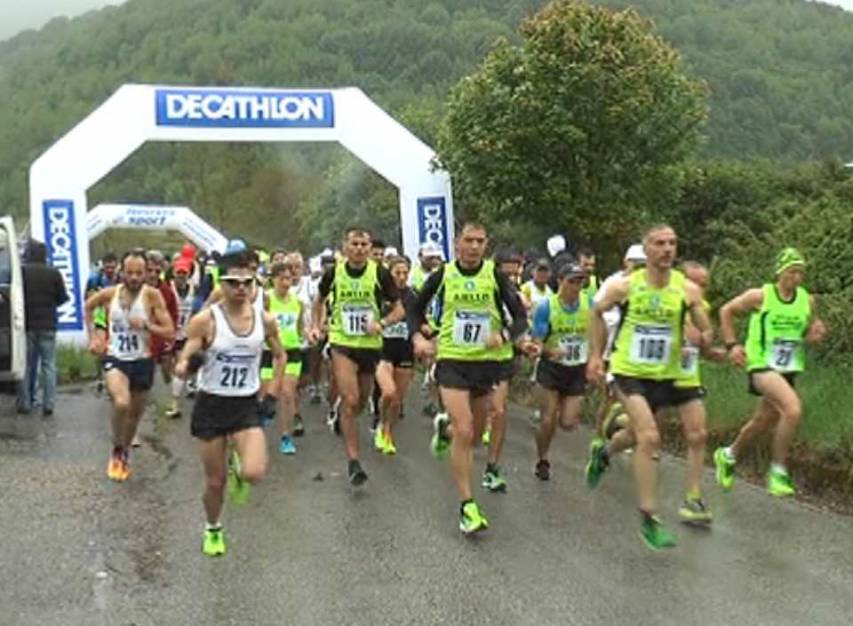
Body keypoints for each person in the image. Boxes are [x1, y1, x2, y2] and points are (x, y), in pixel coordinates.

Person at [586, 225, 713, 550]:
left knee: (642, 435)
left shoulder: (687, 290)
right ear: (647, 249)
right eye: (659, 243)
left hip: (667, 374)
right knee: (650, 437)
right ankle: (648, 516)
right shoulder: (625, 286)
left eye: (672, 243)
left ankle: (605, 451)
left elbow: (705, 332)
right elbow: (596, 312)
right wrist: (595, 357)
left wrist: (711, 338)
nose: (667, 249)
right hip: (628, 372)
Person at [410, 222, 528, 534]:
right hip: (452, 360)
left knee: (473, 436)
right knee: (465, 430)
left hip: (485, 364)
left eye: (479, 241)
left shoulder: (494, 275)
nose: (474, 247)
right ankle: (467, 506)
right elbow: (414, 308)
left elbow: (520, 318)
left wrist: (504, 335)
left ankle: (444, 426)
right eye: (468, 240)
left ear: (486, 245)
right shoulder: (443, 275)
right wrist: (418, 338)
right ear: (456, 243)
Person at [175, 250, 287, 557]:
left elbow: (280, 355)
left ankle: (240, 467)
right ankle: (213, 528)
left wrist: (273, 392)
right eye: (232, 282)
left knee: (254, 472)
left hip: (245, 405)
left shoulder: (265, 320)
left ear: (254, 284)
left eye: (246, 283)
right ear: (220, 284)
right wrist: (186, 366)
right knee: (215, 481)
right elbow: (183, 359)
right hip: (211, 404)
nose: (240, 288)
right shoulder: (205, 321)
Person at [714, 248, 826, 497]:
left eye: (801, 273)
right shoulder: (761, 295)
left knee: (763, 421)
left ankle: (728, 455)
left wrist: (813, 334)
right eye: (792, 272)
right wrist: (732, 345)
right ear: (780, 272)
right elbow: (726, 311)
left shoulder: (806, 300)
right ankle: (777, 471)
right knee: (793, 409)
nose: (797, 278)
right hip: (761, 363)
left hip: (787, 367)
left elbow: (804, 333)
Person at [309, 227, 403, 486]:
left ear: (370, 247)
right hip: (343, 342)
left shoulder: (379, 273)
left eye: (364, 244)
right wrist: (317, 326)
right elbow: (318, 300)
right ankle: (353, 462)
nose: (360, 249)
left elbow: (399, 309)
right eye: (355, 244)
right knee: (351, 398)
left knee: (360, 402)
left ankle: (342, 411)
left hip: (371, 345)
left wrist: (382, 323)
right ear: (345, 246)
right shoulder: (334, 272)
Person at [85, 250, 175, 482]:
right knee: (121, 401)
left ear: (146, 273)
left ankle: (123, 450)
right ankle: (116, 447)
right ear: (121, 272)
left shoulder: (152, 296)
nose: (134, 277)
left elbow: (170, 331)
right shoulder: (110, 293)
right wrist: (94, 336)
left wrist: (147, 325)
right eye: (129, 272)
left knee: (134, 416)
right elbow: (88, 306)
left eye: (139, 273)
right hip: (117, 358)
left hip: (143, 360)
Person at [530, 263, 590, 481]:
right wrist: (549, 350)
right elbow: (536, 343)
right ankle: (542, 459)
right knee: (548, 420)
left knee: (567, 423)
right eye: (571, 281)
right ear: (560, 282)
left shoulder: (588, 304)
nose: (576, 286)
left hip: (576, 370)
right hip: (552, 369)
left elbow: (598, 332)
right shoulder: (547, 307)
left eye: (580, 281)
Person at [16, 240, 68, 416]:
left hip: (27, 325)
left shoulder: (21, 272)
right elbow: (63, 298)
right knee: (49, 365)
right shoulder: (54, 273)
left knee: (27, 365)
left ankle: (25, 403)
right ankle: (49, 404)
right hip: (48, 325)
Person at [373, 256, 417, 455]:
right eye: (397, 273)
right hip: (383, 350)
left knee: (397, 401)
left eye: (405, 273)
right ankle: (381, 423)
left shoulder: (413, 296)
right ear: (389, 275)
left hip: (405, 350)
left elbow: (420, 320)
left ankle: (389, 431)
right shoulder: (379, 293)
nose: (402, 277)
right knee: (388, 392)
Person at [263, 262, 305, 454]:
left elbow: (300, 328)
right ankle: (257, 436)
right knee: (265, 395)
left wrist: (310, 333)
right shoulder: (266, 300)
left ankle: (286, 437)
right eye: (282, 278)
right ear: (273, 279)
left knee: (288, 394)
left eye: (289, 278)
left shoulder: (298, 302)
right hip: (269, 351)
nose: (286, 283)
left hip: (291, 351)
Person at [165, 257, 197, 418]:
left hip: (184, 335)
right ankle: (181, 388)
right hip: (169, 333)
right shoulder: (167, 289)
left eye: (184, 273)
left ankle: (175, 403)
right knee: (168, 370)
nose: (181, 277)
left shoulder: (193, 289)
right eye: (179, 273)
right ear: (174, 274)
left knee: (180, 368)